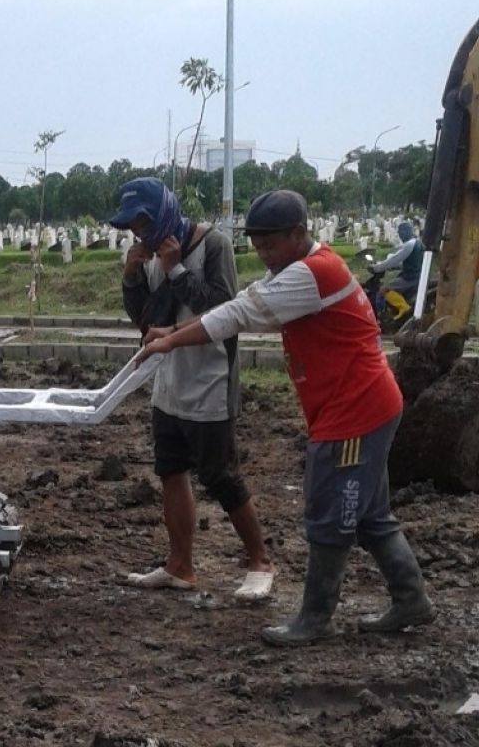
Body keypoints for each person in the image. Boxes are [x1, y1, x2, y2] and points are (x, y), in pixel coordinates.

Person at [137, 189, 435, 647]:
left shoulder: (311, 274)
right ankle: (411, 599)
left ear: (298, 234)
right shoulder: (308, 268)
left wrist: (170, 341)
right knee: (371, 513)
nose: (262, 255)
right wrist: (174, 331)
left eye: (270, 244)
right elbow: (243, 306)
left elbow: (237, 312)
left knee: (328, 509)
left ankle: (315, 618)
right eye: (256, 246)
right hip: (364, 404)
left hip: (353, 412)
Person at [111, 177, 274, 601]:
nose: (138, 233)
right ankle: (179, 566)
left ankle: (260, 561)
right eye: (132, 226)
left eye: (142, 222)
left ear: (163, 212)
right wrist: (132, 275)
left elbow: (223, 310)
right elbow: (145, 320)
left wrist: (176, 269)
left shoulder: (212, 246)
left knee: (220, 476)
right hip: (167, 380)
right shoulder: (149, 254)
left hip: (210, 380)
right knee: (171, 472)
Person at [368, 221, 424, 320]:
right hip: (417, 275)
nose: (400, 235)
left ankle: (397, 311)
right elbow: (410, 261)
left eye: (401, 233)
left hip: (410, 278)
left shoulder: (409, 245)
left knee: (383, 290)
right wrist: (396, 267)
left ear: (407, 232)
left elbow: (393, 260)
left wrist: (376, 268)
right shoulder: (418, 242)